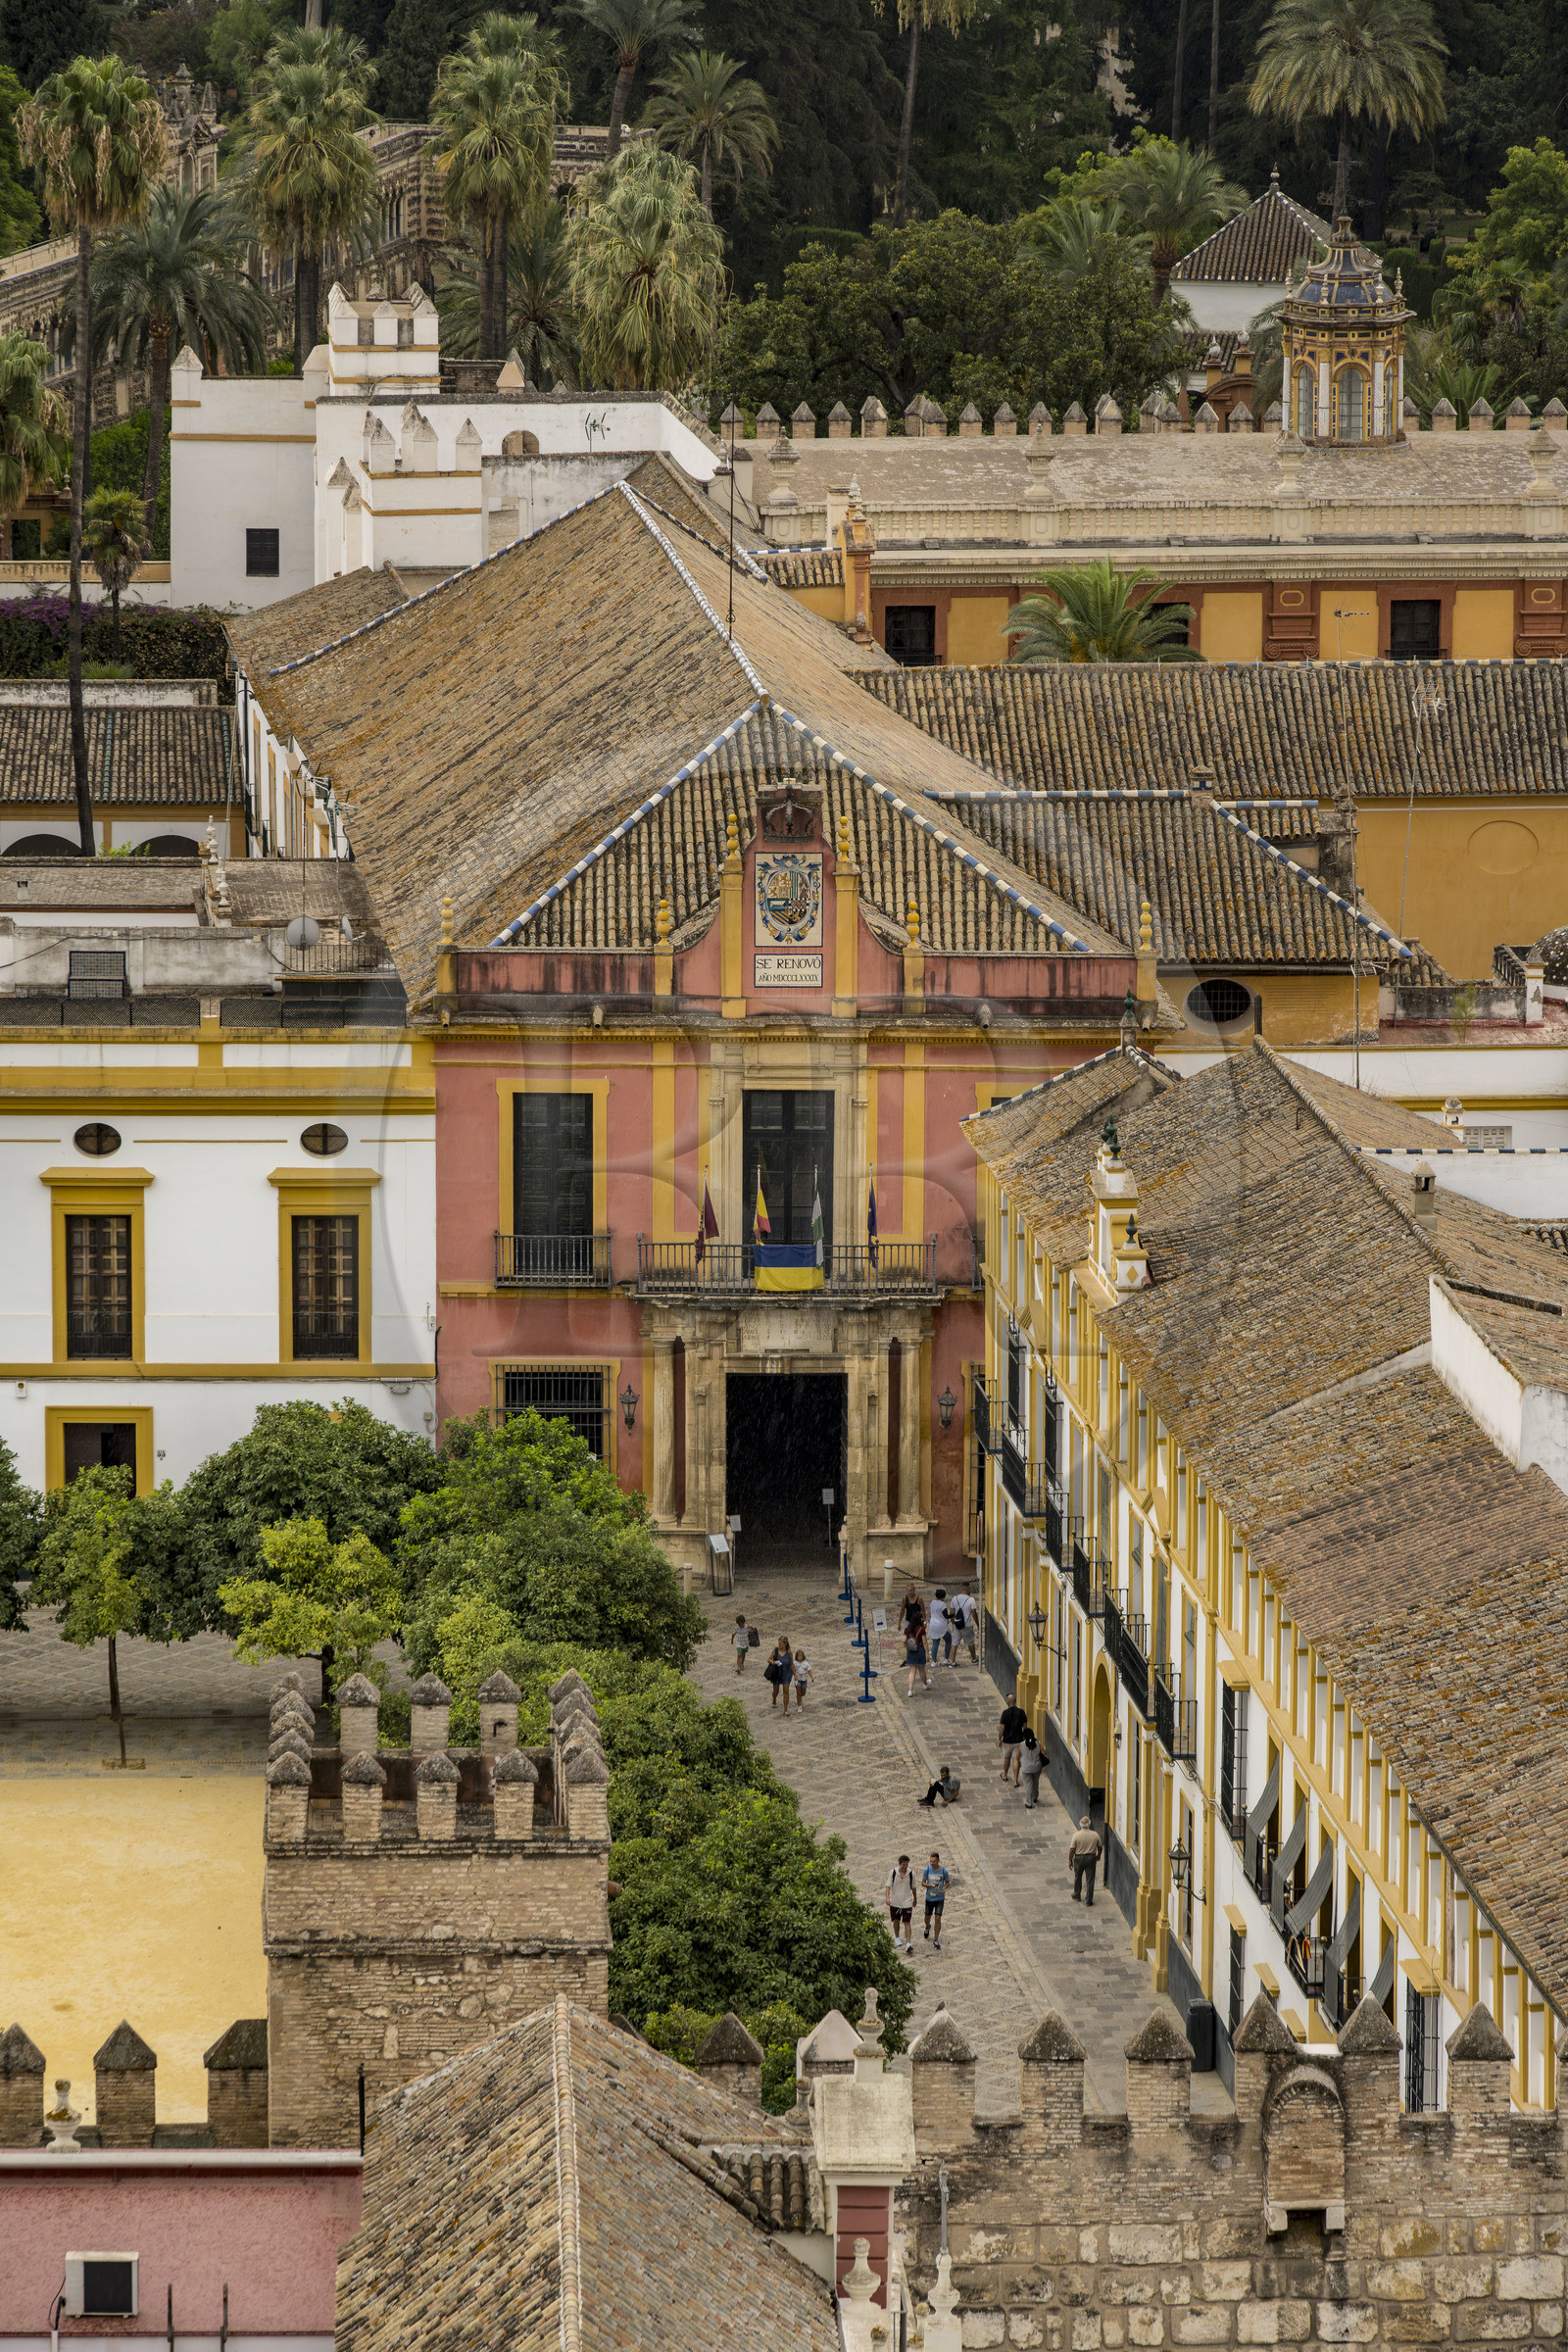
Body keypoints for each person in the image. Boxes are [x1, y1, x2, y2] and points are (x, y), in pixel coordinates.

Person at [1069, 1814, 1103, 1906]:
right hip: (1090, 1858)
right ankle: (1088, 1900)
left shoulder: (1076, 1835)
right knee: (1090, 1879)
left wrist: (1070, 1860)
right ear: (1089, 1824)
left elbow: (1072, 1849)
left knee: (1078, 1877)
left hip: (1079, 1858)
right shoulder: (1095, 1834)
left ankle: (1077, 1894)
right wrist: (1098, 1855)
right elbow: (1100, 1847)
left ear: (1080, 1824)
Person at [885, 1853, 916, 1952]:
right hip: (895, 1901)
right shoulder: (893, 1872)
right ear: (899, 1864)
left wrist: (915, 1898)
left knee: (907, 1922)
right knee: (896, 1920)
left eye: (906, 1865)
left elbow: (914, 1887)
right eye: (903, 1865)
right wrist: (887, 1897)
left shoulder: (911, 1874)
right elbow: (888, 1885)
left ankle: (908, 1943)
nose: (905, 1867)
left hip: (907, 1901)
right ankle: (897, 1937)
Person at [998, 1690, 1028, 1784]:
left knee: (1007, 1758)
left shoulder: (1005, 1713)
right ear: (1015, 1702)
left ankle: (1005, 1774)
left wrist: (1000, 1739)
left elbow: (1002, 1728)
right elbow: (1025, 1726)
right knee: (1016, 1759)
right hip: (1018, 1740)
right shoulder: (1021, 1712)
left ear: (1008, 1702)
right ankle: (1015, 1781)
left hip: (1007, 1740)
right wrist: (1024, 1736)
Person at [921, 1851, 951, 1947]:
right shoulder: (927, 1870)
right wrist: (929, 1885)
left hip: (939, 1898)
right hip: (929, 1898)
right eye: (930, 1861)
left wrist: (945, 1887)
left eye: (933, 1861)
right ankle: (927, 1926)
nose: (932, 1863)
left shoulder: (943, 1871)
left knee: (938, 1918)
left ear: (938, 1860)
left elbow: (948, 1882)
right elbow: (923, 1883)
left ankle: (935, 1939)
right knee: (927, 1917)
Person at [1018, 1728, 1045, 1808]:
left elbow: (1018, 1756)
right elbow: (1044, 1752)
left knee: (1028, 1785)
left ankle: (1029, 1802)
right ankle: (1035, 1796)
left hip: (1026, 1768)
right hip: (1037, 1767)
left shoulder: (1021, 1745)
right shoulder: (1038, 1743)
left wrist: (1019, 1761)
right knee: (1035, 1782)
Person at [765, 1637, 793, 1713]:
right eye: (779, 1643)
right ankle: (774, 1700)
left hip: (786, 1674)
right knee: (776, 1690)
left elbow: (791, 1665)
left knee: (786, 1691)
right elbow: (768, 1659)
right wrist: (773, 1662)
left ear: (785, 1643)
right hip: (777, 1673)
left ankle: (785, 1709)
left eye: (781, 1643)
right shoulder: (775, 1650)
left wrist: (795, 1674)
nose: (779, 1644)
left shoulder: (789, 1653)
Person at [905, 1617, 929, 1696]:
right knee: (921, 1669)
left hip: (910, 1651)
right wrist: (927, 1653)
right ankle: (925, 1684)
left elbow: (903, 1640)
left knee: (912, 1671)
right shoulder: (921, 1629)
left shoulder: (907, 1629)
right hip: (920, 1650)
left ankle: (910, 1690)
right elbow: (924, 1642)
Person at [928, 1588, 952, 1665]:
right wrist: (953, 1615)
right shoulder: (942, 1604)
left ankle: (934, 1661)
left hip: (933, 1625)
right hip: (941, 1625)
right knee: (948, 1640)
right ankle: (946, 1658)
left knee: (935, 1643)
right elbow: (946, 1616)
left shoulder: (932, 1602)